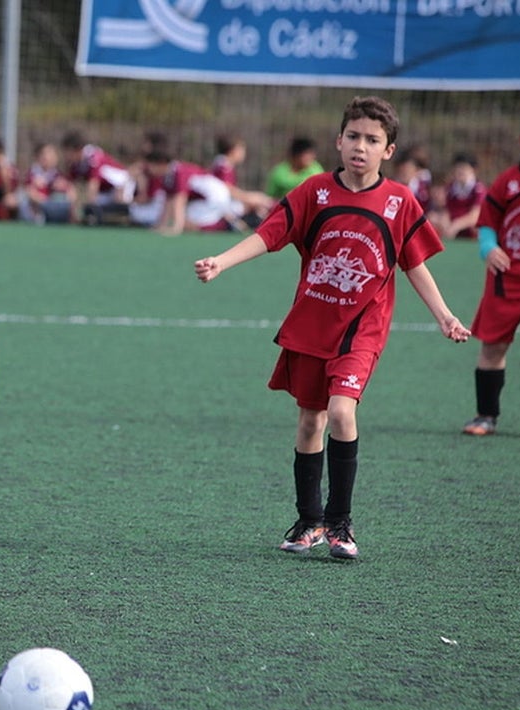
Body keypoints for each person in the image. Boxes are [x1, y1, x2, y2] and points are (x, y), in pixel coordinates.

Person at [194, 96, 470, 560]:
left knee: (342, 413)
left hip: (362, 330)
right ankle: (310, 521)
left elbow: (414, 263)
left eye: (373, 140)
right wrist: (221, 262)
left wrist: (444, 315)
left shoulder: (399, 201)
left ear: (389, 150)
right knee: (309, 421)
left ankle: (341, 523)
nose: (361, 146)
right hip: (312, 324)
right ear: (339, 141)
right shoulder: (314, 191)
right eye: (354, 137)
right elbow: (270, 235)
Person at [461, 110, 520, 436]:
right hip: (508, 279)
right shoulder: (508, 181)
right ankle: (485, 415)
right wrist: (488, 247)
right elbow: (487, 222)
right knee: (492, 347)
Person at [143, 149, 242, 235]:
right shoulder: (167, 174)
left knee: (190, 223)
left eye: (151, 166)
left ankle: (225, 225)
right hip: (206, 198)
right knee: (187, 219)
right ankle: (225, 222)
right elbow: (168, 201)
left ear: (161, 163)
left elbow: (180, 199)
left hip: (213, 197)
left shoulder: (178, 171)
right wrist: (161, 225)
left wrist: (177, 227)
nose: (149, 170)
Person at [61, 131, 134, 224]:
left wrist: (91, 210)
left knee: (122, 209)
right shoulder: (75, 164)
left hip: (123, 184)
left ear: (77, 150)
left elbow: (93, 185)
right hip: (105, 191)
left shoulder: (93, 156)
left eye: (68, 152)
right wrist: (72, 213)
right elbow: (71, 187)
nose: (66, 156)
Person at [210, 134, 273, 226]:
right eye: (242, 150)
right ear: (233, 151)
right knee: (260, 206)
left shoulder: (223, 164)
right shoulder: (223, 165)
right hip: (218, 209)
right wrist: (250, 198)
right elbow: (228, 190)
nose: (244, 154)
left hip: (222, 206)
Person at [430, 153, 487, 240]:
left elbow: (475, 216)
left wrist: (456, 226)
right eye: (457, 168)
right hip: (452, 228)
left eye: (464, 168)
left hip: (468, 229)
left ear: (473, 170)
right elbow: (445, 210)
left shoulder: (479, 189)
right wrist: (446, 224)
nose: (460, 171)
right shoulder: (450, 188)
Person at [19, 141, 77, 224]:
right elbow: (30, 192)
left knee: (60, 197)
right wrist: (45, 202)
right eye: (47, 154)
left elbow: (71, 191)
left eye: (52, 154)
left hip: (53, 206)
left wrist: (67, 194)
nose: (51, 157)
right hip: (39, 208)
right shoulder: (33, 172)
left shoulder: (57, 174)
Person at [392, 144, 433, 212]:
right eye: (401, 171)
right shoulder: (392, 189)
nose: (404, 174)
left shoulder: (425, 189)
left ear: (416, 170)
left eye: (408, 170)